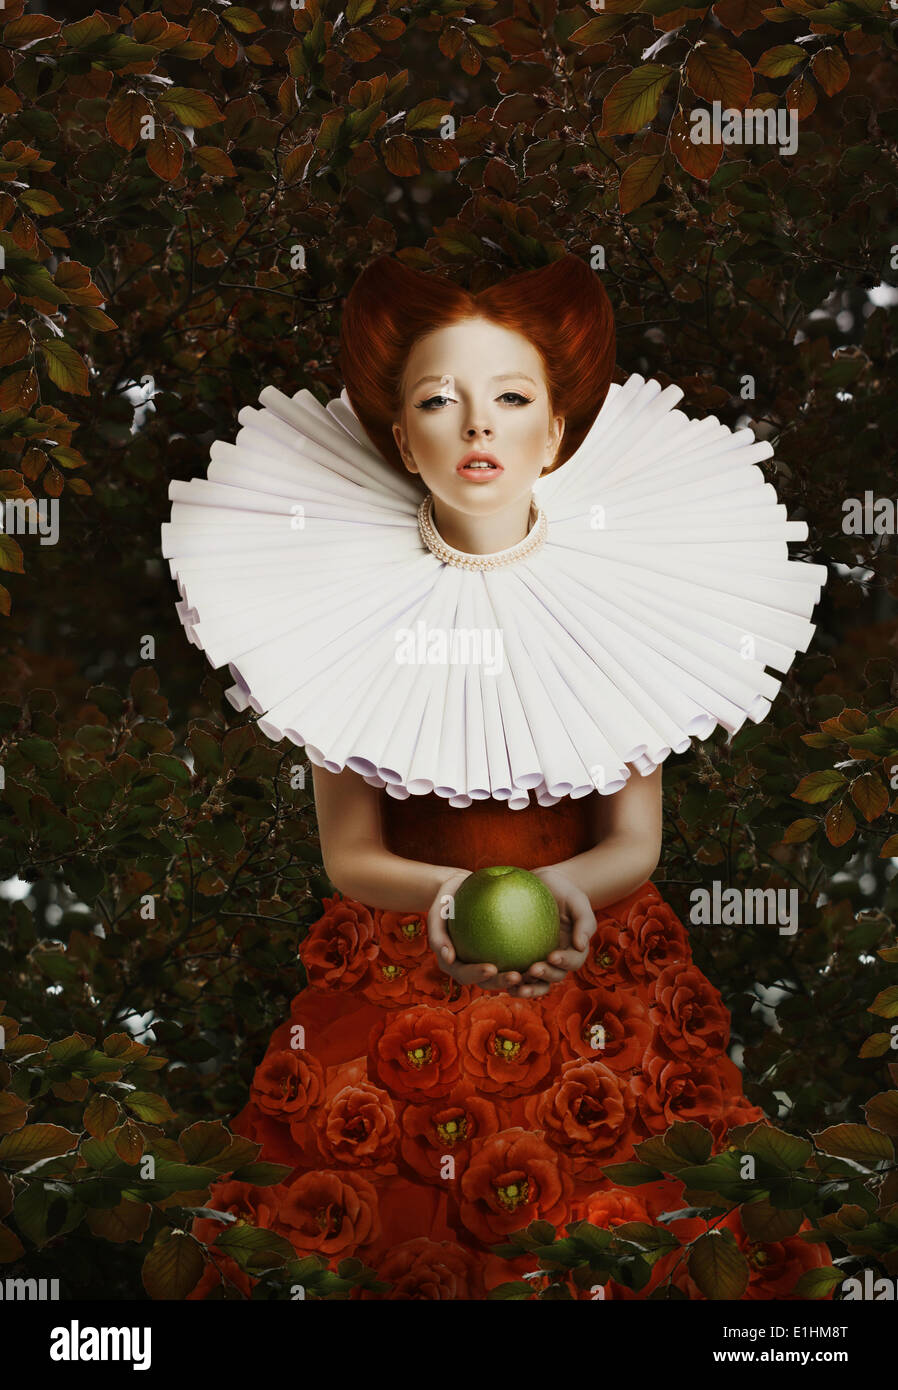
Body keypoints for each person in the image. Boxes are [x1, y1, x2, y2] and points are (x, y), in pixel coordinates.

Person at [167, 255, 830, 1299]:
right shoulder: (327, 603)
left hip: (597, 956)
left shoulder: (626, 594)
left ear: (555, 432)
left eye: (511, 398)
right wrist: (444, 900)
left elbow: (634, 838)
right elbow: (349, 854)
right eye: (440, 400)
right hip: (394, 971)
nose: (478, 427)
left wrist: (567, 895)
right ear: (400, 437)